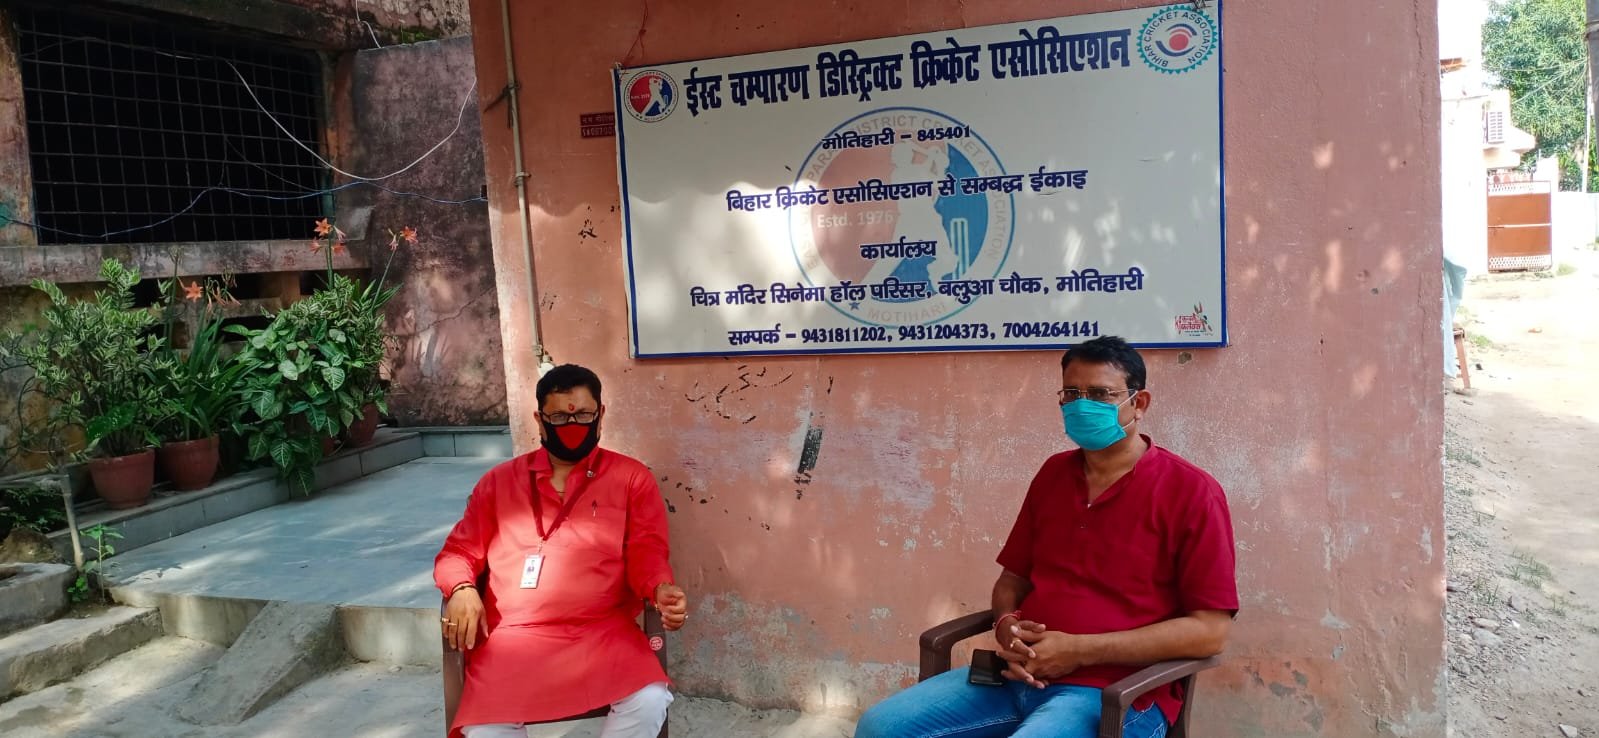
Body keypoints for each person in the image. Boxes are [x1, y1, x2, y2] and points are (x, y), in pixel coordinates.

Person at [855, 336, 1238, 738]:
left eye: (1100, 394)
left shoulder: (1191, 492)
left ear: (1138, 403)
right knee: (881, 727)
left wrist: (1079, 652)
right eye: (1071, 393)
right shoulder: (1054, 475)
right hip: (1015, 675)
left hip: (1114, 693)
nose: (1082, 405)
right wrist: (1007, 625)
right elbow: (1013, 580)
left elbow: (1210, 632)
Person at [434, 364, 689, 738]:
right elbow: (457, 552)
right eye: (559, 417)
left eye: (584, 414)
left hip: (602, 632)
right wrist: (460, 588)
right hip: (512, 639)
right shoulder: (498, 483)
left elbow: (646, 550)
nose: (573, 424)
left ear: (600, 414)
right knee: (485, 728)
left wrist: (660, 586)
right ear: (540, 421)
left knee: (650, 699)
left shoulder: (631, 478)